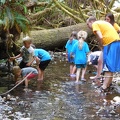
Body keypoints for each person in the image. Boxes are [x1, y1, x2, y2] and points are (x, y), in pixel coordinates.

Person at [86, 16, 120, 92]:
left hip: (111, 42)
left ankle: (104, 87)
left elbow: (100, 37)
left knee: (108, 65)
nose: (88, 27)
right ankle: (108, 84)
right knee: (110, 64)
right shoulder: (102, 23)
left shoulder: (95, 24)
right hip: (116, 42)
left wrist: (101, 45)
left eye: (88, 24)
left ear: (91, 22)